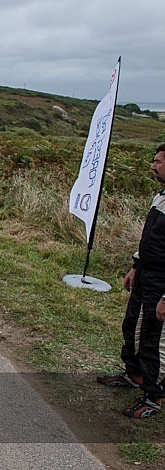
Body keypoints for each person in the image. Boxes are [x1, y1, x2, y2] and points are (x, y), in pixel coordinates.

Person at [97, 143, 165, 419]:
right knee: (133, 327)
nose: (153, 166)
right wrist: (136, 265)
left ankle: (154, 395)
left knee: (155, 339)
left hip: (162, 283)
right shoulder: (160, 196)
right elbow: (150, 238)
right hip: (146, 275)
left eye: (159, 161)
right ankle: (134, 375)